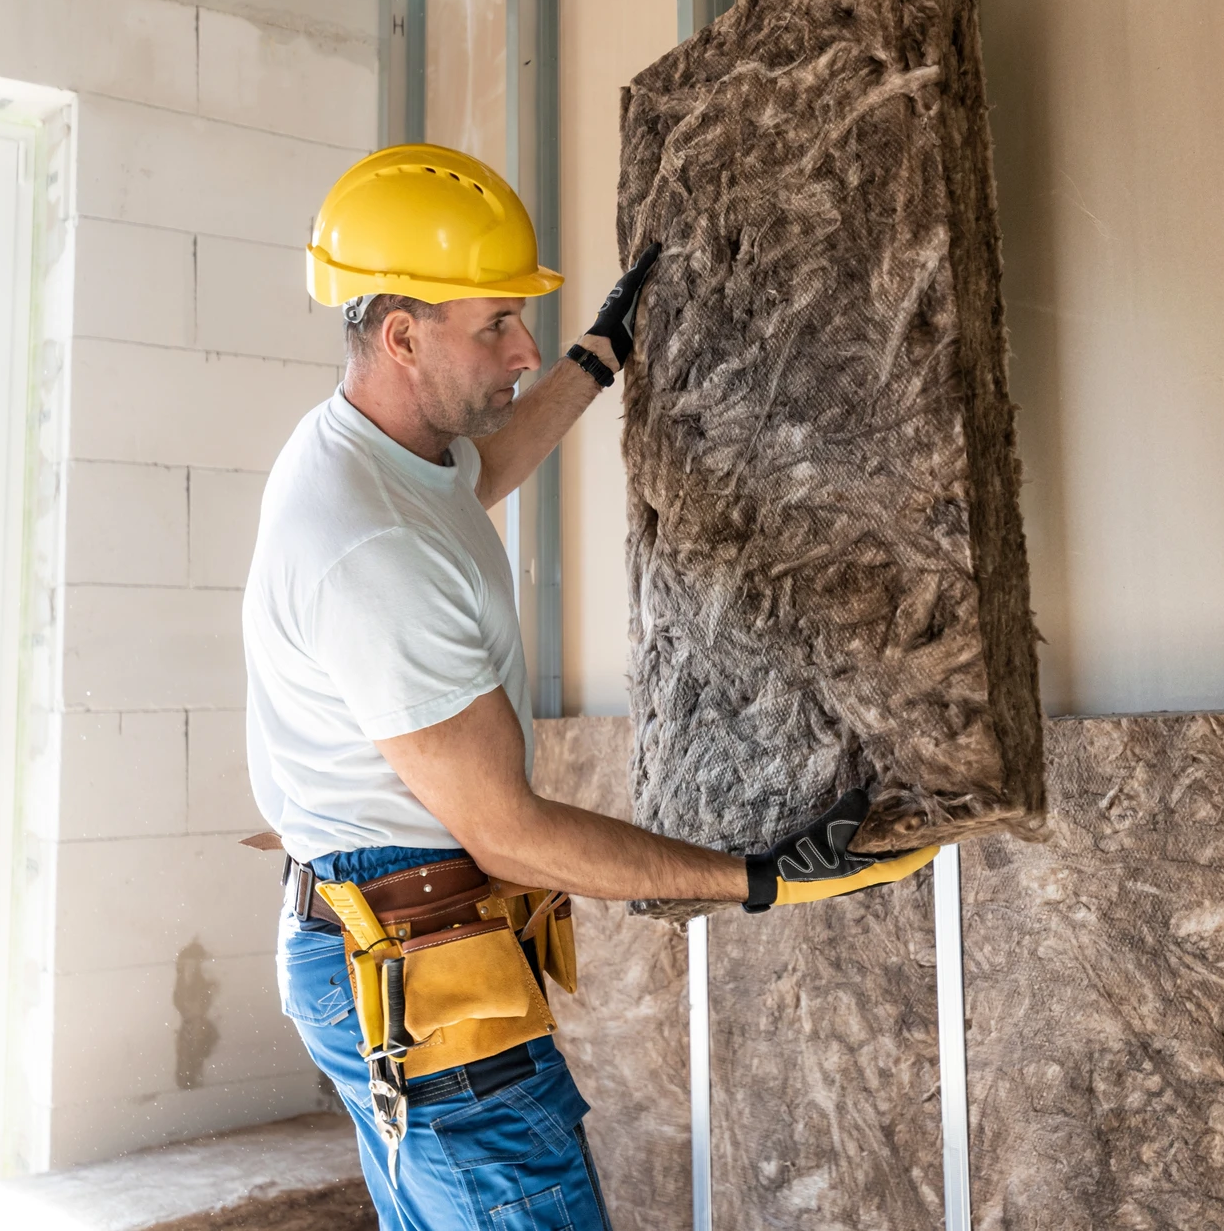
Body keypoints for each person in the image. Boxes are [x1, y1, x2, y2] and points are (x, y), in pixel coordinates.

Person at [243, 144, 935, 1231]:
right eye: (495, 328)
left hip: (383, 943)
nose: (520, 347)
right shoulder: (368, 548)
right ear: (402, 335)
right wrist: (757, 879)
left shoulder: (386, 450)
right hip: (420, 970)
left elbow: (483, 471)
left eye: (525, 320)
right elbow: (509, 837)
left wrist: (596, 359)